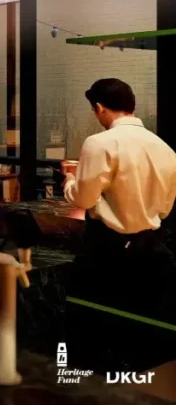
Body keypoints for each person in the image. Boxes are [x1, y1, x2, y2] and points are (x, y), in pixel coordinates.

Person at [63, 78, 176, 320]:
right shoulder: (164, 148)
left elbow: (84, 199)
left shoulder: (99, 143)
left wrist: (69, 181)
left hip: (108, 248)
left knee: (103, 318)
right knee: (142, 319)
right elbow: (166, 208)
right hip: (152, 247)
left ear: (100, 108)